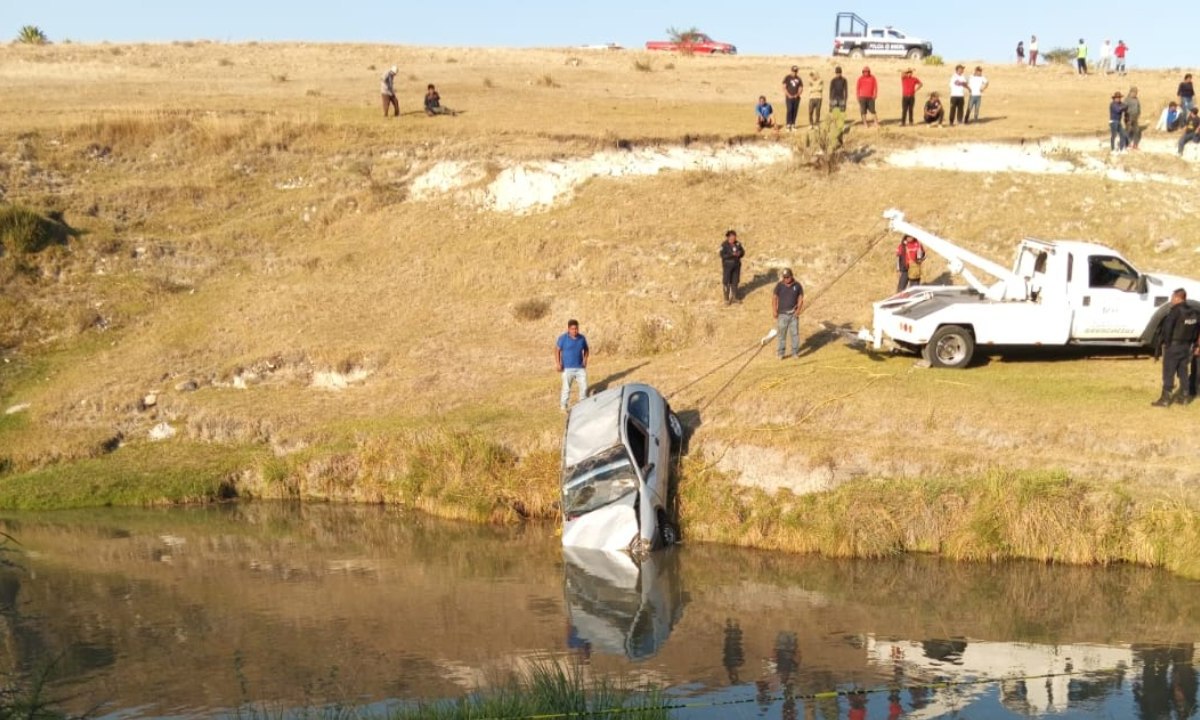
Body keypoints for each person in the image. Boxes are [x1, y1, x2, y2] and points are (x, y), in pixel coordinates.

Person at [1152, 289, 1198, 406]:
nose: (1171, 300)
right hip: (1187, 347)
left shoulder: (1175, 312)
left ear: (1178, 298)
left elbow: (1167, 329)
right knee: (1183, 371)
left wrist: (1166, 344)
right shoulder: (1193, 312)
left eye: (1172, 297)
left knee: (1169, 372)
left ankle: (1165, 399)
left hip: (1173, 346)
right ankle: (1185, 396)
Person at [556, 319, 589, 411]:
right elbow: (557, 350)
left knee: (584, 386)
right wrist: (558, 363)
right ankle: (563, 407)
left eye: (576, 329)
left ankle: (583, 404)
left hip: (580, 368)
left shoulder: (582, 338)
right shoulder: (563, 338)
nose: (575, 331)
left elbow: (586, 349)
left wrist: (585, 359)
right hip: (567, 368)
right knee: (566, 389)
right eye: (573, 329)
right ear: (568, 329)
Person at [772, 268, 804, 359]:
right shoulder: (779, 285)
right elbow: (774, 298)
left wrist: (798, 310)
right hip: (782, 314)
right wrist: (774, 310)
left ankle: (795, 352)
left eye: (787, 277)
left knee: (795, 334)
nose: (786, 279)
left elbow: (801, 298)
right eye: (784, 277)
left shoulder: (797, 285)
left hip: (793, 314)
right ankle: (780, 353)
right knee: (782, 334)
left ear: (791, 276)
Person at [719, 229, 746, 304]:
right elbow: (722, 255)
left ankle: (734, 297)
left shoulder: (738, 244)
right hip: (727, 265)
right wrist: (731, 255)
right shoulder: (724, 245)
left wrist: (739, 253)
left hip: (736, 265)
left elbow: (743, 252)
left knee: (735, 281)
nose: (733, 239)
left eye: (734, 237)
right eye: (732, 237)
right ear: (728, 237)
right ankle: (726, 299)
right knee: (726, 281)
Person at [782, 65, 803, 131]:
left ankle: (793, 124)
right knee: (789, 110)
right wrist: (788, 95)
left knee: (795, 110)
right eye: (793, 71)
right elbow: (784, 87)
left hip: (796, 97)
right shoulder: (787, 77)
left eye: (796, 71)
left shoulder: (799, 78)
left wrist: (798, 94)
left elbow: (800, 87)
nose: (795, 72)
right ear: (791, 71)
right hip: (789, 97)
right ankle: (788, 125)